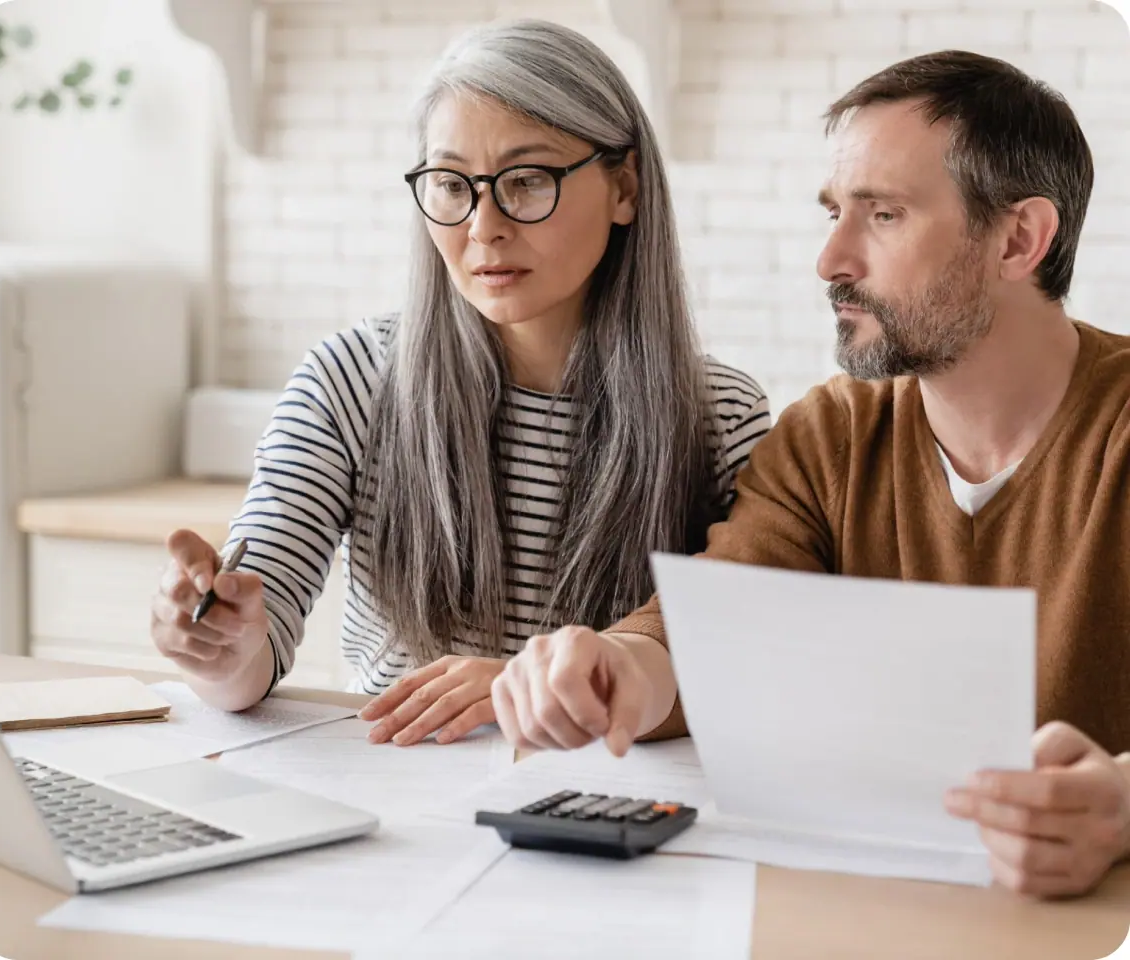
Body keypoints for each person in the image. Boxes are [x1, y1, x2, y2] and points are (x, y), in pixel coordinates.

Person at [493, 49, 1130, 899]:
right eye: (834, 212)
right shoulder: (831, 434)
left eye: (885, 215)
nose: (830, 259)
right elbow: (712, 625)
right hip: (886, 911)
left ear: (1019, 239)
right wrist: (611, 668)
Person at [148, 19, 770, 749]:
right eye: (451, 185)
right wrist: (218, 641)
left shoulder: (720, 416)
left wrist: (522, 693)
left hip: (615, 807)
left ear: (624, 186)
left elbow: (742, 666)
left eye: (528, 181)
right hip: (402, 795)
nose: (484, 227)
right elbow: (253, 648)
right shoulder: (352, 378)